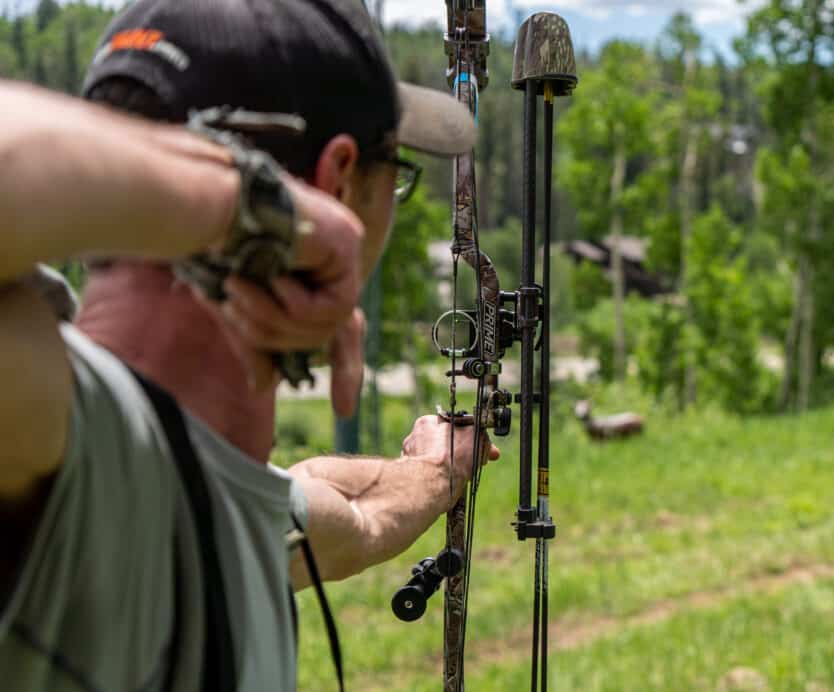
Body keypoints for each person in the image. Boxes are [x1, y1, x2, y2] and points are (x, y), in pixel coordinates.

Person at [0, 1, 496, 690]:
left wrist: (441, 468)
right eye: (397, 172)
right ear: (339, 183)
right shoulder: (67, 430)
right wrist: (257, 208)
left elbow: (353, 515)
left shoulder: (217, 495)